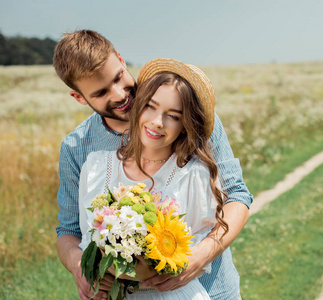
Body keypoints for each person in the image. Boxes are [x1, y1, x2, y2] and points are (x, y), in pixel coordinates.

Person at [53, 30, 252, 300]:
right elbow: (69, 231)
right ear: (79, 97)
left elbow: (237, 195)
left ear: (121, 60)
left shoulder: (192, 115)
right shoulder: (78, 148)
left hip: (213, 288)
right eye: (101, 92)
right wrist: (81, 267)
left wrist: (200, 256)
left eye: (118, 77)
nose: (120, 94)